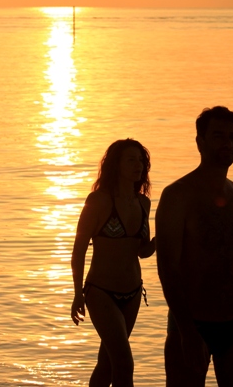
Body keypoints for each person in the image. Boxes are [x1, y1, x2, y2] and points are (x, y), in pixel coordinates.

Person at [156, 106, 233, 387]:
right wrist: (187, 332)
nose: (228, 143)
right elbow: (167, 268)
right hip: (191, 324)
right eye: (218, 136)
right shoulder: (177, 196)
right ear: (200, 142)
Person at [71, 138, 156, 387]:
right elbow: (78, 253)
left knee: (108, 363)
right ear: (116, 164)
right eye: (131, 159)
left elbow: (141, 251)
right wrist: (78, 294)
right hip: (101, 292)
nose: (138, 165)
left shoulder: (143, 203)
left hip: (132, 293)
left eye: (141, 160)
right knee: (124, 362)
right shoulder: (98, 201)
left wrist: (163, 239)